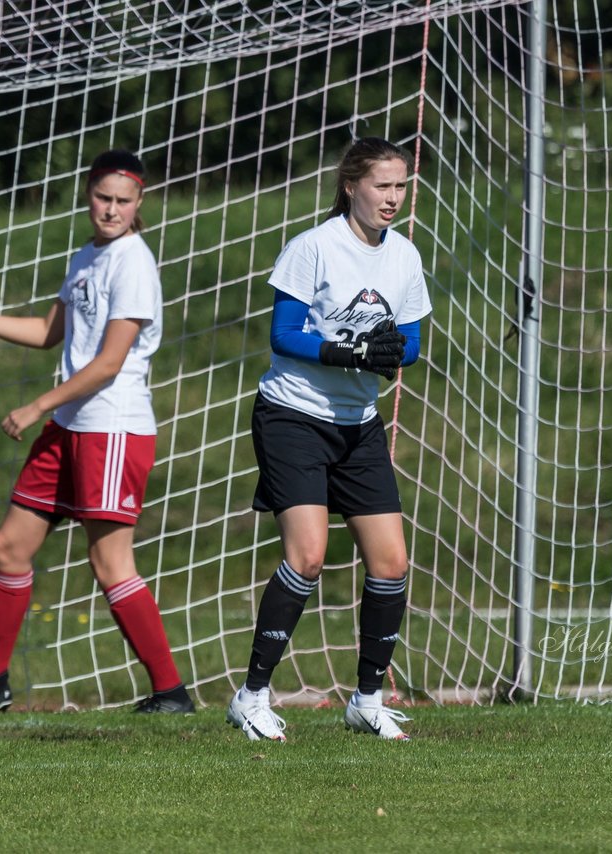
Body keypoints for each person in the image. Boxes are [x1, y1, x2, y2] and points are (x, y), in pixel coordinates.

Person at [0, 150, 193, 715]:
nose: (111, 210)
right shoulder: (87, 256)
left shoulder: (133, 263)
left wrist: (37, 404)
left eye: (123, 200)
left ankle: (170, 692)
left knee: (110, 564)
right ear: (88, 194)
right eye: (102, 197)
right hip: (70, 427)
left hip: (111, 429)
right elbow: (50, 331)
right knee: (10, 547)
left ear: (139, 204)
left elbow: (110, 362)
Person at [225, 137, 431, 742]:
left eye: (400, 186)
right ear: (351, 186)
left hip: (358, 423)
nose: (392, 198)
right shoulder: (313, 247)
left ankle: (367, 699)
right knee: (307, 556)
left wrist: (395, 353)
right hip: (293, 416)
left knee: (391, 562)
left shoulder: (405, 257)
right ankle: (252, 695)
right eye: (381, 186)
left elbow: (410, 342)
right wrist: (342, 349)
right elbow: (283, 334)